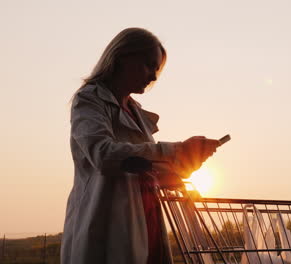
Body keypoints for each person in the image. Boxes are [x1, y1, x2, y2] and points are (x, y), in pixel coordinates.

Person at [61, 27, 220, 264]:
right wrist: (174, 151)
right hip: (106, 224)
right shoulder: (89, 100)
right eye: (148, 65)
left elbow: (146, 168)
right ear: (122, 57)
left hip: (146, 221)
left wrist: (187, 161)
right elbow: (103, 154)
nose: (153, 77)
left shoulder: (136, 112)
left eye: (156, 70)